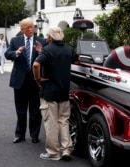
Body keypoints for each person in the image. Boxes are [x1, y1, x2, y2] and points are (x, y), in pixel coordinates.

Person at [33, 26, 78, 161]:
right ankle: (66, 150)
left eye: (48, 36)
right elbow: (76, 58)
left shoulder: (47, 50)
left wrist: (38, 79)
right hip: (64, 92)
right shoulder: (68, 50)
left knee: (51, 122)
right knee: (64, 121)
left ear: (51, 38)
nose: (46, 38)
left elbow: (36, 65)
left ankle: (53, 153)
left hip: (49, 93)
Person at [4, 18, 47, 144]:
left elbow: (48, 57)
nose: (31, 29)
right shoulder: (15, 40)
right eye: (28, 27)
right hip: (20, 81)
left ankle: (34, 135)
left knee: (35, 111)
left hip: (35, 80)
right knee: (20, 110)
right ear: (22, 29)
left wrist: (41, 52)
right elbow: (7, 54)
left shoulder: (41, 41)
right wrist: (16, 52)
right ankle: (20, 134)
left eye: (32, 27)